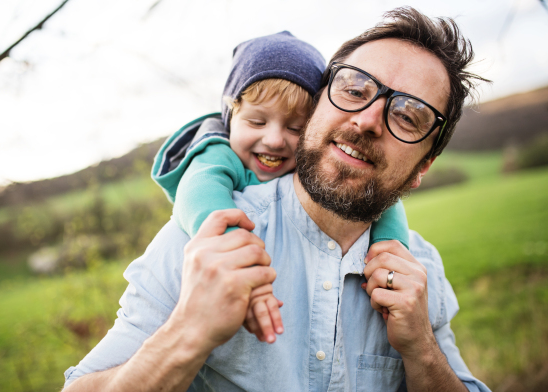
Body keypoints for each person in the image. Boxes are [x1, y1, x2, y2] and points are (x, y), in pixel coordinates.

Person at [62, 7, 491, 392]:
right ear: (321, 101)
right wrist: (189, 331)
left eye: (406, 115)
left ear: (423, 166)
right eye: (356, 89)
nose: (366, 121)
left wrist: (423, 351)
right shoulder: (206, 243)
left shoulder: (420, 270)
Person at [151, 31, 410, 344]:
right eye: (257, 122)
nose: (273, 140)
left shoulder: (316, 164)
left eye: (295, 128)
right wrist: (234, 250)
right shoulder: (219, 151)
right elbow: (198, 191)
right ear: (231, 117)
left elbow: (381, 197)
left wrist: (389, 246)